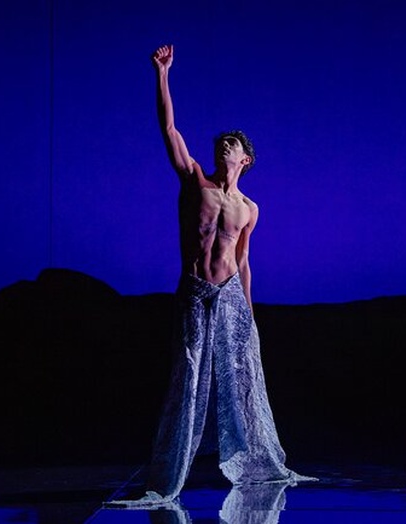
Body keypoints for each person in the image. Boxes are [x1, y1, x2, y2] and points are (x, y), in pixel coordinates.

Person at [113, 44, 313, 506]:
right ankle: (167, 474)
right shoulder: (195, 182)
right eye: (222, 141)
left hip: (232, 299)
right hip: (196, 291)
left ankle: (262, 463)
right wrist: (163, 74)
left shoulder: (250, 208)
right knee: (189, 374)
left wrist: (250, 313)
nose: (224, 144)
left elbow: (243, 260)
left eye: (233, 143)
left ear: (246, 159)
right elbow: (169, 129)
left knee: (245, 375)